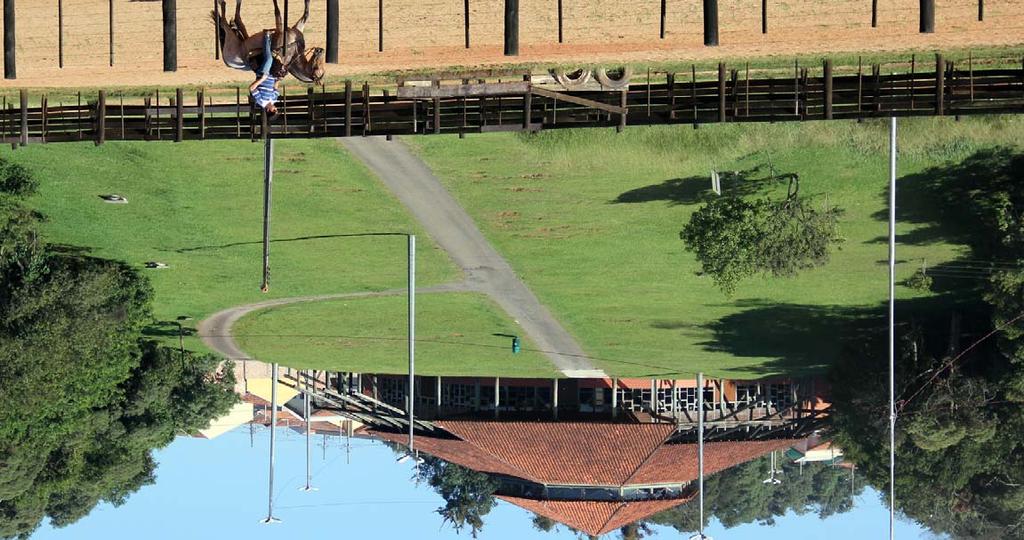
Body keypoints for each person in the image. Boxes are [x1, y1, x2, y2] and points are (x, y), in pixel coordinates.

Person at [249, 32, 281, 119]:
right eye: (276, 109)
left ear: (268, 110)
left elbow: (251, 88)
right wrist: (279, 78)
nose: (275, 108)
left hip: (263, 73)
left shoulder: (260, 101)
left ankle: (266, 37)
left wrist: (262, 79)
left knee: (269, 59)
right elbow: (275, 88)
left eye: (274, 110)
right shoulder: (274, 99)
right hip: (273, 75)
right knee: (282, 62)